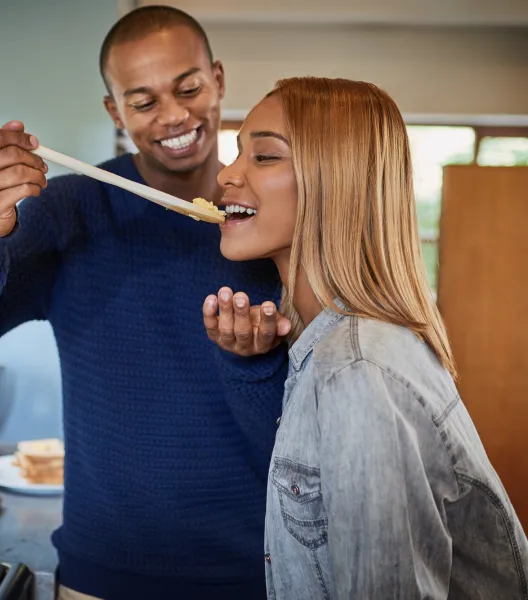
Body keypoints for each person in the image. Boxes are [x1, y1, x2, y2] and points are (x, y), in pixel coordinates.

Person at [0, 6, 291, 600]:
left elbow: (298, 448)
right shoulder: (72, 211)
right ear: (114, 110)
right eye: (143, 102)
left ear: (217, 78)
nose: (174, 115)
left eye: (188, 87)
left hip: (252, 576)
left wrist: (253, 362)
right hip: (99, 578)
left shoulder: (270, 226)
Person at [203, 76, 528, 599]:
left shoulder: (357, 370)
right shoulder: (320, 349)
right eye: (238, 151)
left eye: (264, 157)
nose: (227, 174)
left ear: (338, 182)